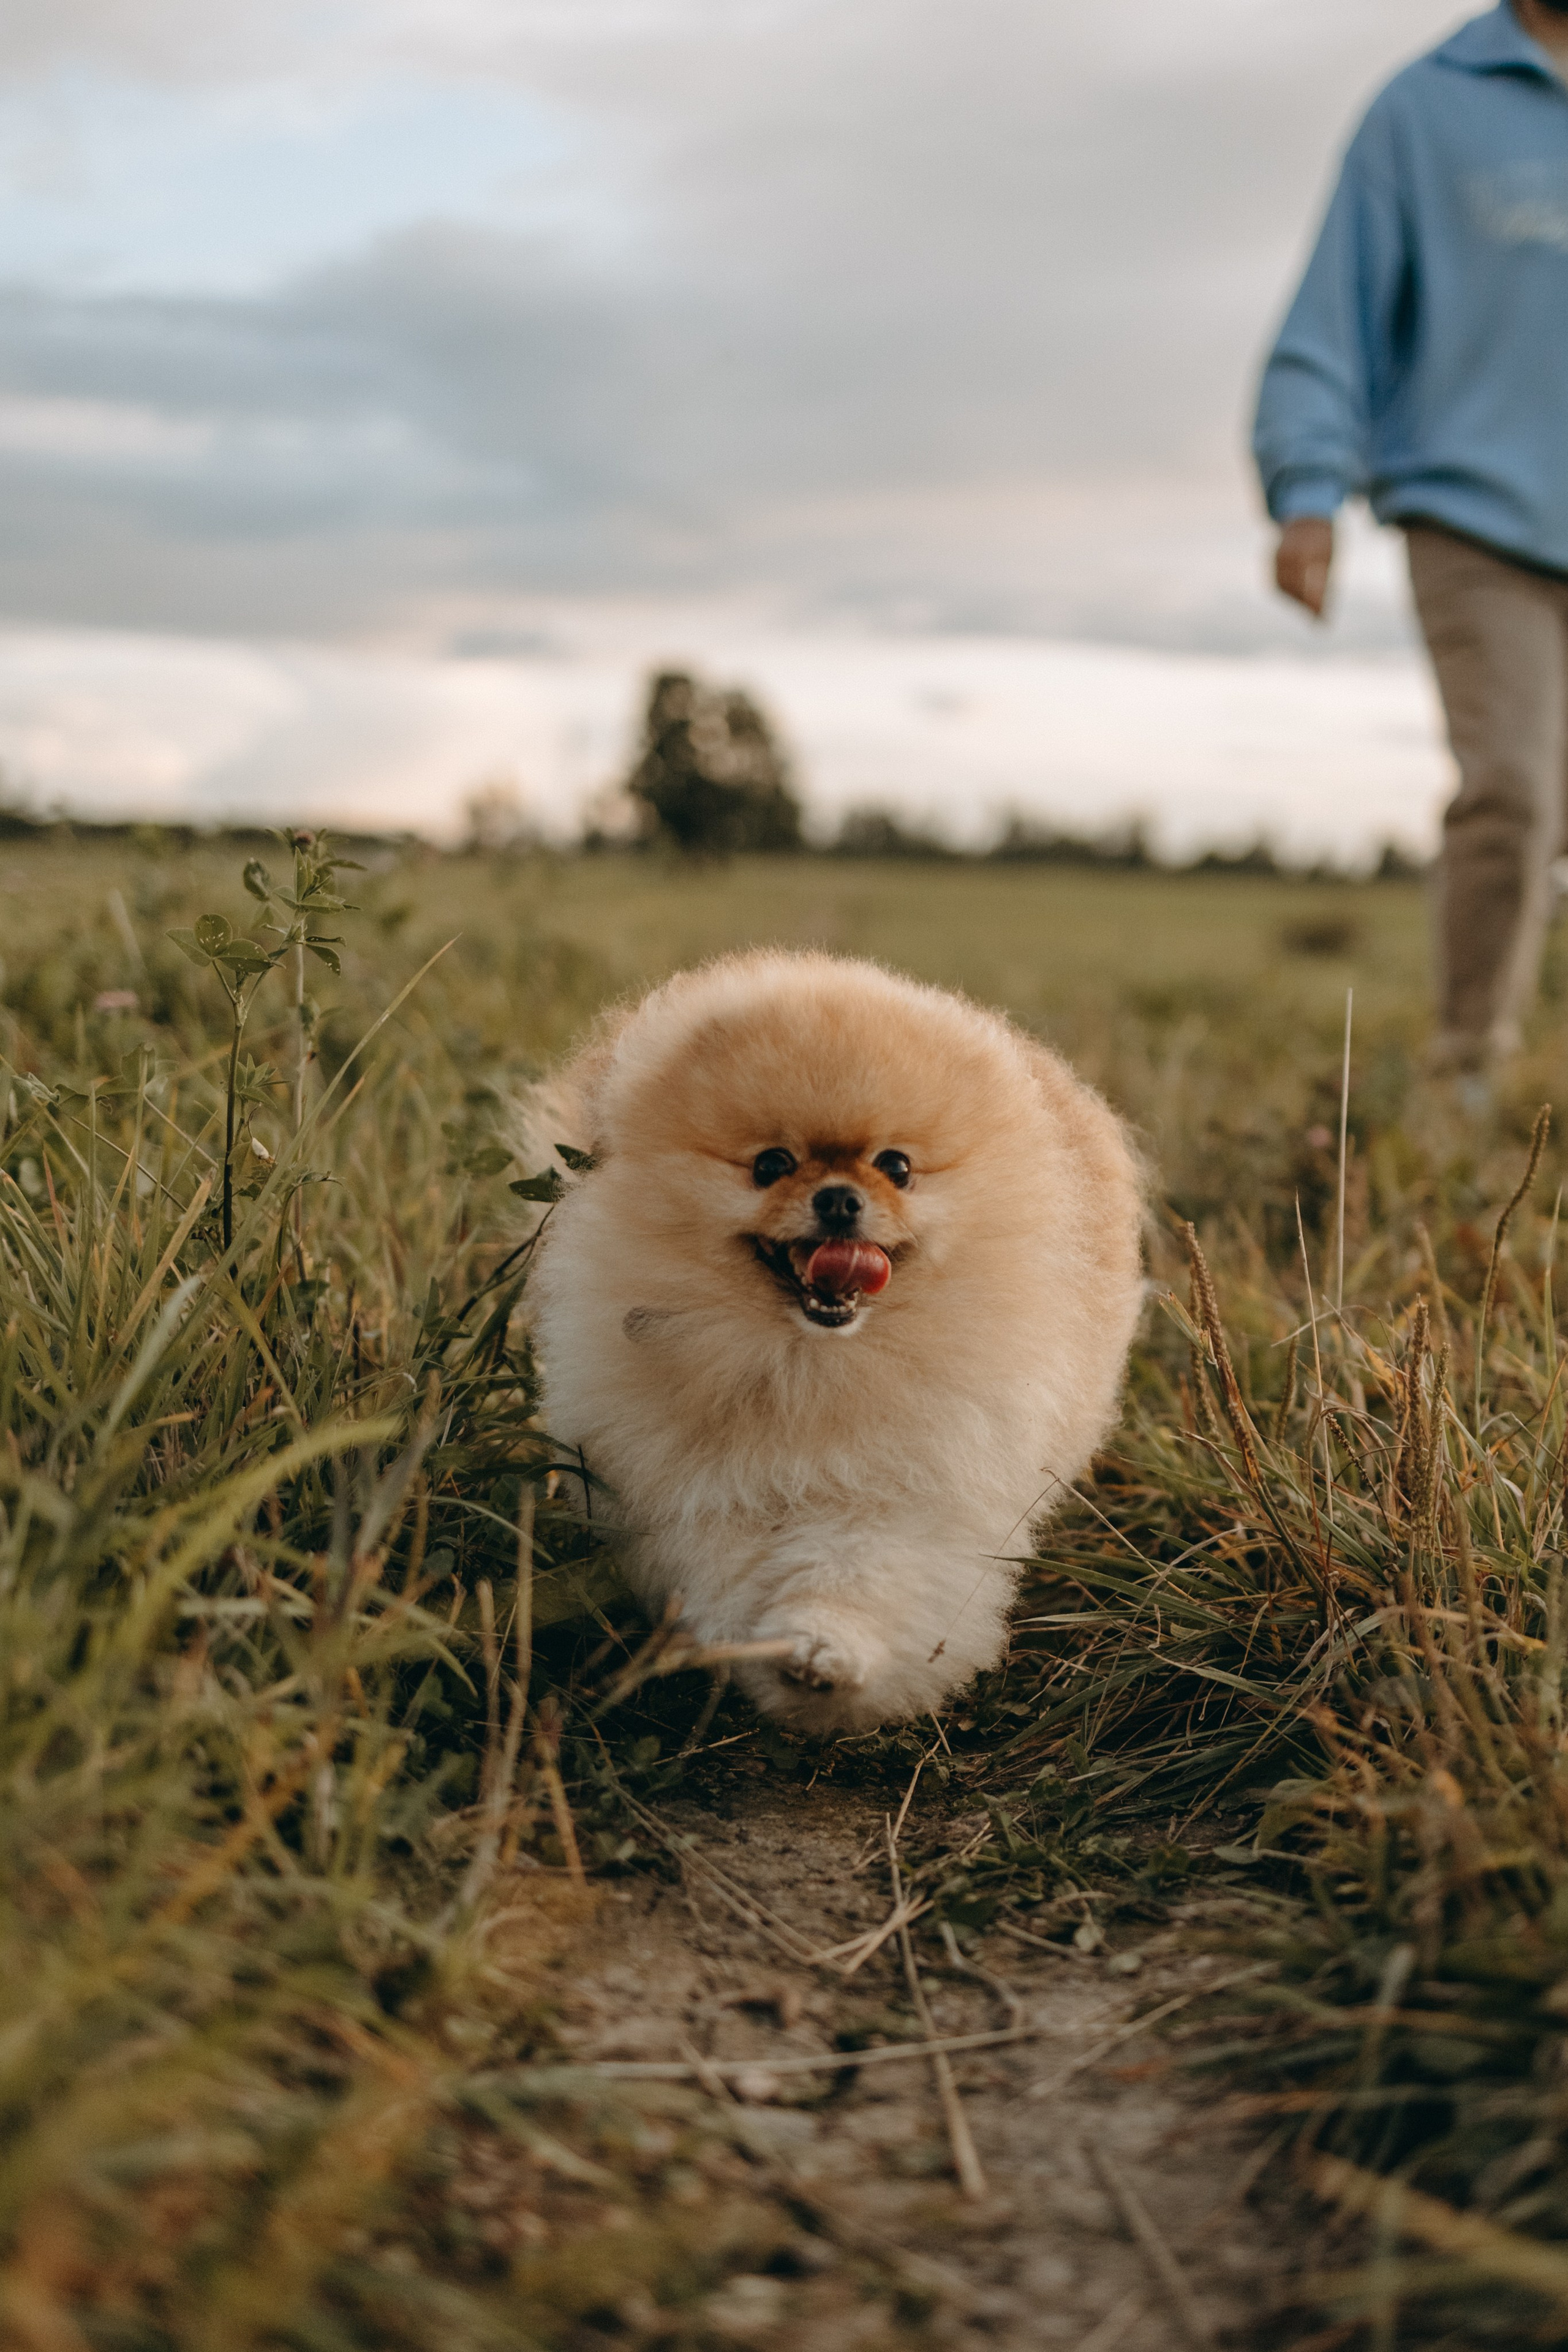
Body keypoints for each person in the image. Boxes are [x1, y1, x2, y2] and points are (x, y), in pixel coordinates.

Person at [1254, 1, 1568, 1074]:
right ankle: (1470, 1072)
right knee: (1518, 790)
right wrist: (1308, 486)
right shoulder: (1424, 109)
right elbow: (1329, 317)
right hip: (1480, 522)